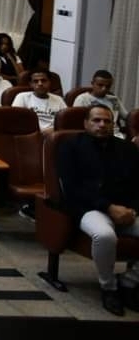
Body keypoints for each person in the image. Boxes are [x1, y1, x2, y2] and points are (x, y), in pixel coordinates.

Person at [57, 105, 139, 316]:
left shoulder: (127, 149)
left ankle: (129, 282)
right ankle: (109, 287)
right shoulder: (70, 146)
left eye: (107, 121)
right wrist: (108, 207)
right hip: (90, 208)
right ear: (86, 123)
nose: (102, 125)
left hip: (125, 209)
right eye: (96, 120)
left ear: (113, 124)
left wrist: (133, 210)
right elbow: (72, 188)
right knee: (104, 236)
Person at [73, 70, 130, 138]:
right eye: (100, 85)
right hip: (93, 134)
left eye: (107, 86)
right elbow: (77, 123)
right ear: (92, 83)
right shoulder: (82, 99)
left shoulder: (114, 100)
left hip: (115, 134)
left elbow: (128, 117)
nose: (104, 89)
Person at [12, 70, 67, 135]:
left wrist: (54, 130)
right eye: (36, 81)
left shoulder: (58, 99)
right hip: (30, 135)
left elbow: (66, 121)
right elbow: (16, 120)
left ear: (49, 82)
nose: (40, 84)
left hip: (54, 135)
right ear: (31, 84)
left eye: (43, 80)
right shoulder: (22, 97)